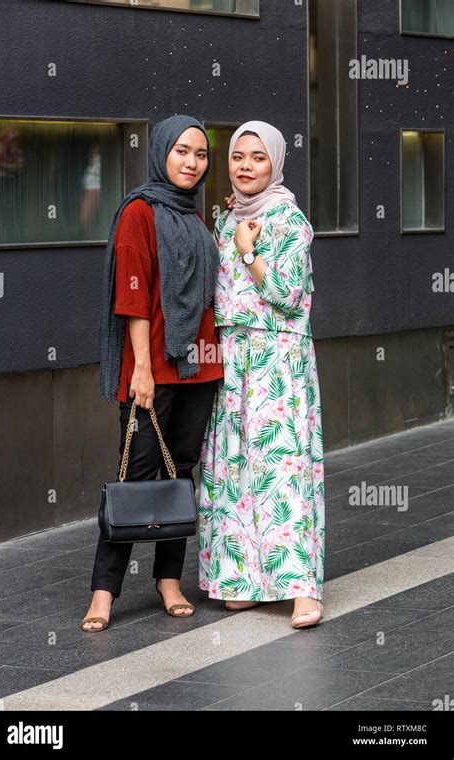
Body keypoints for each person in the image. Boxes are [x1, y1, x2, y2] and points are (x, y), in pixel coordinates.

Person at [81, 115, 223, 632]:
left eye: (201, 155)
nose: (192, 162)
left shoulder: (195, 216)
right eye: (182, 151)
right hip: (153, 371)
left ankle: (168, 580)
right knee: (135, 474)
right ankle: (104, 591)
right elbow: (133, 296)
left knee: (178, 474)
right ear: (162, 151)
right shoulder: (139, 213)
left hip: (199, 371)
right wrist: (142, 368)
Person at [198, 121, 325, 629]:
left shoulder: (289, 220)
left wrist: (251, 253)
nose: (246, 167)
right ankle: (244, 580)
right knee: (234, 469)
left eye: (258, 158)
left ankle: (302, 592)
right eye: (237, 157)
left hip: (277, 358)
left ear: (275, 163)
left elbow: (288, 295)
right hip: (233, 358)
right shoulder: (226, 219)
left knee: (281, 466)